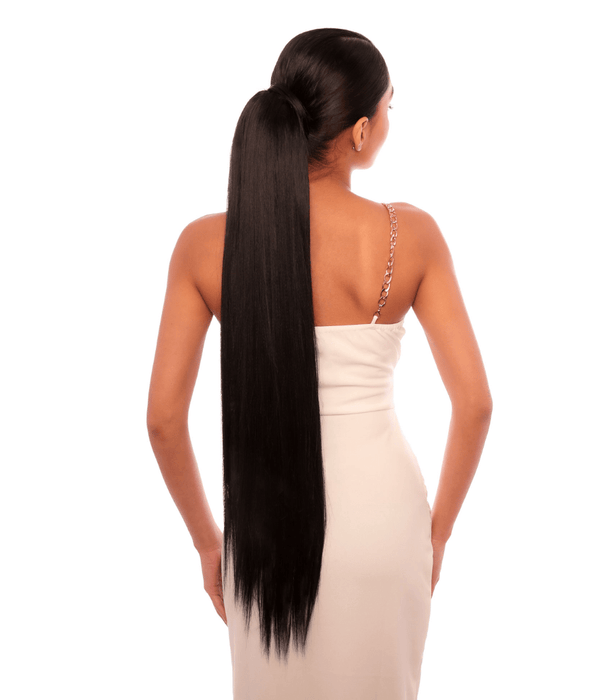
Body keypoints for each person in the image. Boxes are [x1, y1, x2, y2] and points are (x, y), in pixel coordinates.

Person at [147, 27, 492, 700]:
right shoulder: (411, 235)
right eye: (389, 108)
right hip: (385, 522)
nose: (389, 121)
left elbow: (163, 420)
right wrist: (438, 532)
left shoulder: (204, 244)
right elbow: (475, 404)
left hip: (265, 531)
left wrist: (208, 543)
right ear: (360, 131)